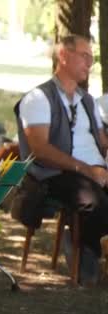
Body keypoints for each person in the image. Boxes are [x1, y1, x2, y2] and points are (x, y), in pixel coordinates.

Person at [14, 34, 108, 270]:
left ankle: (90, 243)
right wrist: (86, 170)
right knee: (96, 204)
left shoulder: (87, 101)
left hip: (95, 170)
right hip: (55, 174)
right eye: (85, 56)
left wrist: (98, 169)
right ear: (63, 56)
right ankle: (83, 247)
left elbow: (103, 142)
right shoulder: (38, 98)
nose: (90, 63)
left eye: (92, 58)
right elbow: (40, 150)